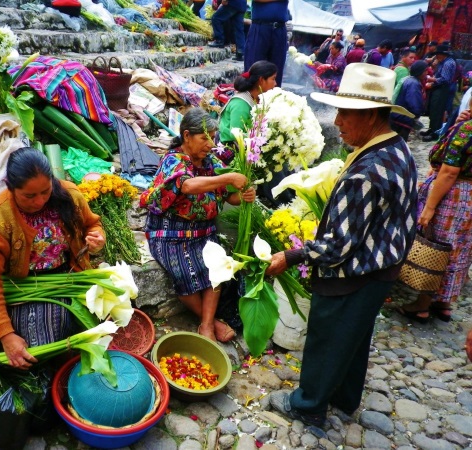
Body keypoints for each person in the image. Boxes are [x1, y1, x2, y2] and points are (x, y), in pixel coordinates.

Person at [264, 63, 418, 427]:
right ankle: (345, 399)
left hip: (355, 273)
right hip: (382, 268)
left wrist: (293, 254)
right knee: (354, 336)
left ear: (370, 115)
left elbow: (338, 246)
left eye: (345, 112)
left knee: (327, 336)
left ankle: (308, 405)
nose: (337, 120)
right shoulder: (398, 149)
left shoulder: (365, 173)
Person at [0, 147, 106, 369]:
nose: (39, 201)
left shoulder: (69, 195)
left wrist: (97, 238)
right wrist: (6, 335)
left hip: (71, 276)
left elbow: (92, 223)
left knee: (101, 329)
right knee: (40, 350)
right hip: (26, 286)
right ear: (11, 187)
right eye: (29, 195)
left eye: (45, 191)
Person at [139, 108, 256, 343]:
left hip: (204, 232)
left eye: (213, 137)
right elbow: (188, 186)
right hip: (170, 233)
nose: (210, 144)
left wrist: (243, 195)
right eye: (204, 138)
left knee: (217, 269)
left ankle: (206, 326)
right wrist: (228, 177)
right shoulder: (173, 159)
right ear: (186, 136)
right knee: (185, 275)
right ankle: (211, 323)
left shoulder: (210, 162)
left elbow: (226, 196)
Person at [397, 96, 472, 324]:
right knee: (459, 250)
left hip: (453, 193)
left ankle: (422, 304)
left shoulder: (467, 129)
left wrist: (429, 207)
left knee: (439, 245)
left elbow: (449, 171)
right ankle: (443, 303)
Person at [217, 61, 278, 164]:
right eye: (273, 79)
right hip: (232, 149)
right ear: (262, 80)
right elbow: (236, 134)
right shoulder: (241, 103)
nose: (275, 83)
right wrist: (264, 140)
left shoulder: (258, 98)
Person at [243, 0, 290, 87]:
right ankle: (250, 97)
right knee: (253, 67)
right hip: (260, 26)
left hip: (279, 28)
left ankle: (273, 97)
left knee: (277, 69)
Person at [421, 44, 457, 142]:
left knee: (437, 110)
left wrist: (431, 79)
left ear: (442, 54)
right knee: (433, 109)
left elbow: (444, 79)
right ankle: (432, 129)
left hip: (442, 88)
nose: (436, 57)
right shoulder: (443, 62)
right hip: (439, 87)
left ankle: (435, 133)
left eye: (438, 55)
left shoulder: (447, 63)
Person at [391, 60, 428, 141]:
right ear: (420, 71)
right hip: (403, 117)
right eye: (425, 71)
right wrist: (417, 113)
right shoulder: (413, 84)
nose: (426, 73)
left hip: (398, 115)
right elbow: (414, 103)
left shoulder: (409, 80)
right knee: (400, 141)